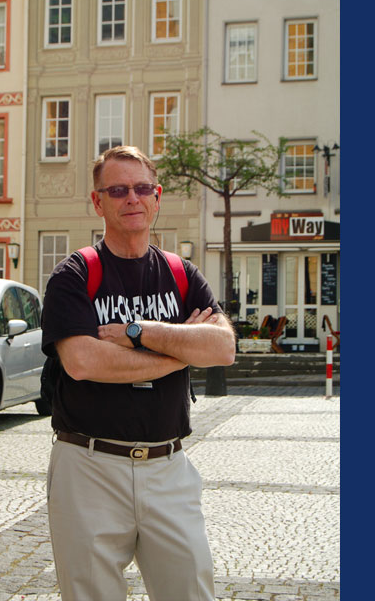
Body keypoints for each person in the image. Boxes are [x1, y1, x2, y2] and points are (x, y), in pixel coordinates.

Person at [40, 145, 236, 600]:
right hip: (88, 467)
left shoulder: (181, 274)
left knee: (190, 589)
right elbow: (83, 361)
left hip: (169, 467)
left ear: (157, 196)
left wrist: (138, 330)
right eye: (119, 189)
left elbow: (223, 346)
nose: (132, 198)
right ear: (98, 202)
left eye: (142, 188)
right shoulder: (73, 275)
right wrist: (181, 349)